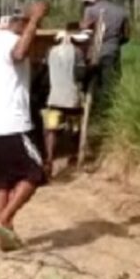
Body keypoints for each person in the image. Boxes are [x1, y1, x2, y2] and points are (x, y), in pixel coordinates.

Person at [0, 2, 50, 251]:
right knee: (36, 172)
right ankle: (3, 219)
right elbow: (20, 53)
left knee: (2, 182)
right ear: (14, 22)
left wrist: (33, 22)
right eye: (24, 21)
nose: (26, 26)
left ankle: (5, 236)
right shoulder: (10, 41)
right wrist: (35, 20)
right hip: (13, 123)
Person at [42, 24, 89, 179]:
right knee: (75, 129)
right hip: (72, 99)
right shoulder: (78, 52)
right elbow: (81, 74)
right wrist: (92, 69)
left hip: (54, 98)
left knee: (51, 130)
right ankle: (74, 156)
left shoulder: (50, 51)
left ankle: (49, 160)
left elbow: (45, 73)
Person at [81, 0, 130, 111]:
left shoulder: (90, 10)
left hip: (93, 52)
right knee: (110, 83)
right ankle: (107, 111)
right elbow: (126, 35)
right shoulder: (121, 11)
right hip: (112, 50)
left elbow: (85, 31)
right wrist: (115, 43)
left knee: (91, 81)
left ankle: (91, 109)